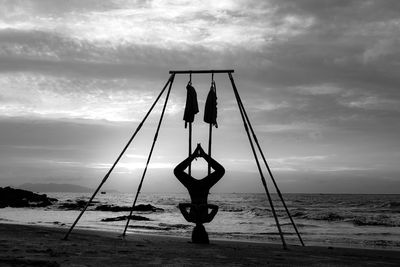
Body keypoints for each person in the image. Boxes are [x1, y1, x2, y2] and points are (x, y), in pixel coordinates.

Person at [174, 144, 225, 243]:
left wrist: (193, 205)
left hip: (193, 189)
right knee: (220, 171)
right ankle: (204, 155)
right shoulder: (207, 219)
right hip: (203, 189)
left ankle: (194, 156)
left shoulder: (190, 219)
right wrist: (204, 205)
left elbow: (181, 206)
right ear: (204, 231)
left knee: (177, 171)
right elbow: (216, 208)